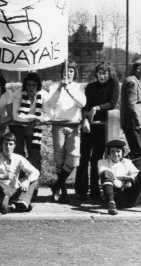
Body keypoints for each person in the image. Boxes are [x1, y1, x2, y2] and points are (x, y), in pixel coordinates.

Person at [75, 61, 120, 200]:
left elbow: (112, 103)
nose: (102, 76)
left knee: (96, 160)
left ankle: (95, 190)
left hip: (102, 128)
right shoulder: (90, 87)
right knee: (84, 158)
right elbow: (86, 106)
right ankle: (81, 190)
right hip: (89, 127)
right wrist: (85, 120)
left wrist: (97, 108)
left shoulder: (113, 83)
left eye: (104, 73)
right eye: (99, 73)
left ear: (109, 73)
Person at [47, 61, 86, 204]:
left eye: (71, 71)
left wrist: (69, 90)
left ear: (75, 73)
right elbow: (50, 104)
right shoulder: (54, 86)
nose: (68, 74)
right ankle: (62, 191)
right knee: (59, 158)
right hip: (58, 125)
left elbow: (82, 103)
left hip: (73, 125)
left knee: (74, 157)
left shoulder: (79, 87)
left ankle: (56, 185)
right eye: (65, 71)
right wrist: (60, 89)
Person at [98, 139, 141, 215]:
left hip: (130, 197)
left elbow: (136, 174)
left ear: (122, 152)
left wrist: (125, 180)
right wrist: (116, 179)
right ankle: (111, 204)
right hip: (115, 197)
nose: (115, 154)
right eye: (113, 151)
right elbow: (103, 172)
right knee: (106, 173)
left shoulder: (126, 162)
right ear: (109, 152)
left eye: (118, 151)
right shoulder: (102, 162)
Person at [0, 132, 40, 213]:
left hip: (14, 191)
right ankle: (22, 204)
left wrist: (27, 181)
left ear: (14, 145)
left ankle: (13, 206)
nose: (8, 147)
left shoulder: (18, 158)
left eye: (11, 144)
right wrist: (3, 176)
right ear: (1, 145)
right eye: (5, 144)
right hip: (1, 190)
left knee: (34, 180)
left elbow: (36, 172)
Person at [9, 71, 52, 172]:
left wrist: (34, 121)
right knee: (18, 155)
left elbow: (50, 114)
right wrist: (33, 118)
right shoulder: (17, 94)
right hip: (18, 127)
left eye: (34, 85)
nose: (31, 88)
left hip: (34, 128)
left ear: (38, 86)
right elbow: (16, 116)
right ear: (25, 85)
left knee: (35, 155)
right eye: (28, 84)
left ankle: (34, 184)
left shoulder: (44, 95)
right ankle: (20, 183)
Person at [120, 59, 141, 169]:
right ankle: (119, 166)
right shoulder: (132, 82)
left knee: (136, 152)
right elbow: (132, 104)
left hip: (130, 123)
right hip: (131, 123)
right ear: (138, 69)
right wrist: (139, 123)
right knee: (138, 153)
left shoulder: (132, 80)